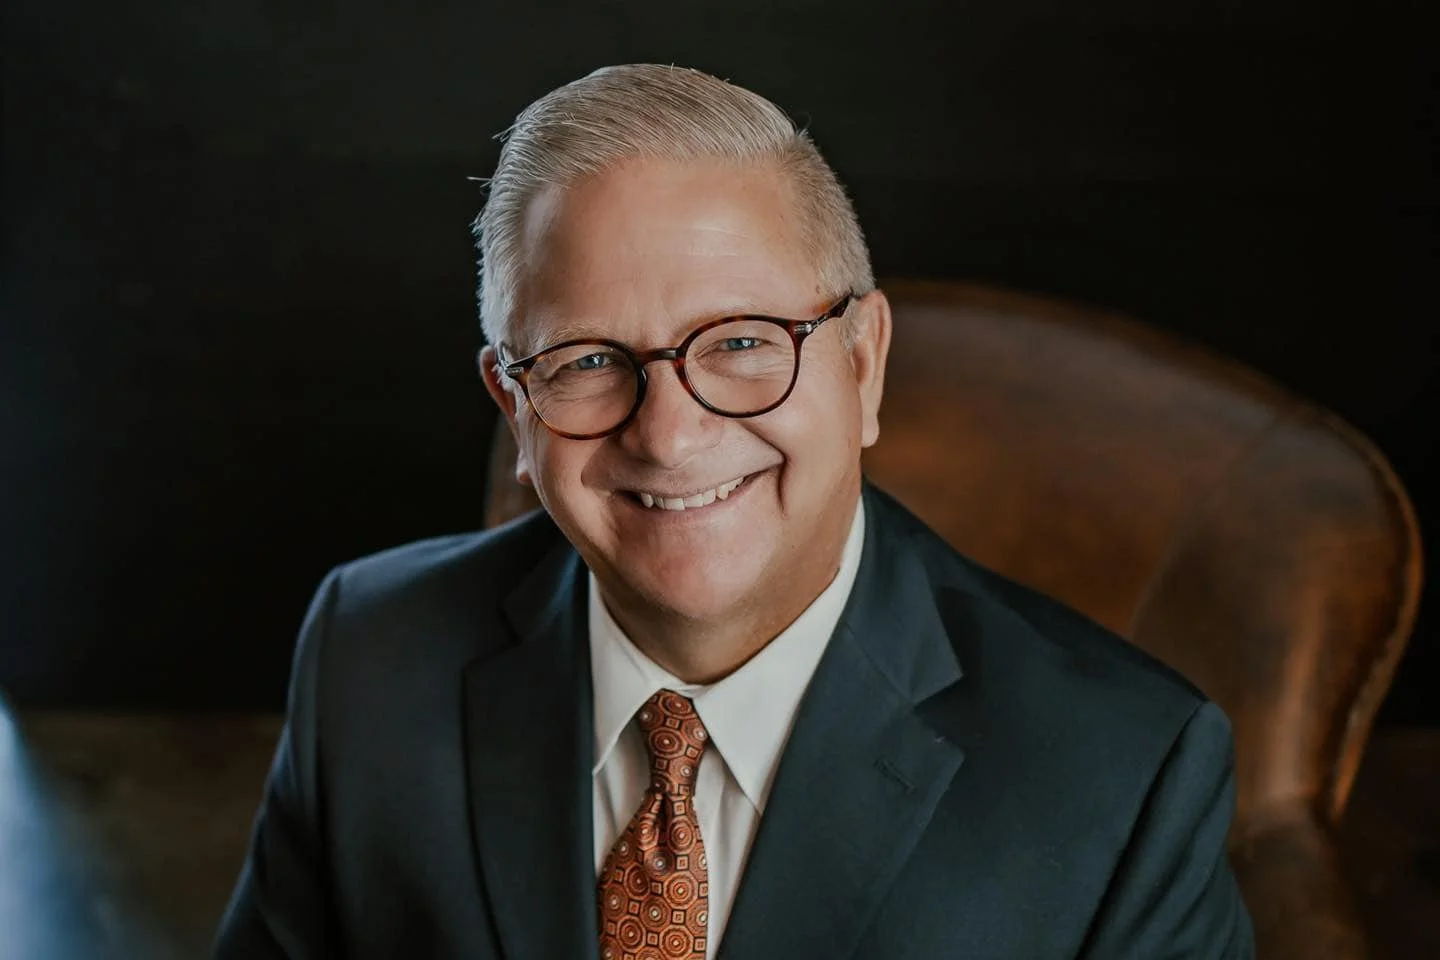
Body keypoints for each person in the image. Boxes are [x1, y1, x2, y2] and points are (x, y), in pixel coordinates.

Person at [215, 64, 1255, 959]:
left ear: (863, 364)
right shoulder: (370, 653)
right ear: (514, 407)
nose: (668, 435)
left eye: (744, 342)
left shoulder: (1123, 774)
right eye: (587, 361)